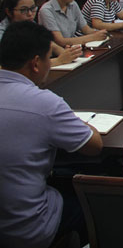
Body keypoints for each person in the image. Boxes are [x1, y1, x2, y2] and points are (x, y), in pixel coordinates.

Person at [0, 21, 103, 248]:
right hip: (25, 228)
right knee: (93, 204)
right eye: (49, 58)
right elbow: (94, 145)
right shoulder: (45, 103)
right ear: (36, 63)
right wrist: (80, 122)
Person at [0, 0, 82, 67]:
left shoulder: (30, 23)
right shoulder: (2, 34)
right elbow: (16, 67)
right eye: (24, 10)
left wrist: (66, 53)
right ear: (9, 12)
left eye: (32, 8)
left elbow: (49, 43)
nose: (30, 14)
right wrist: (59, 61)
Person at [38, 0, 108, 47]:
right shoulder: (46, 10)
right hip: (56, 52)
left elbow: (86, 29)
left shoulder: (73, 4)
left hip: (72, 48)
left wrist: (100, 33)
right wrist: (93, 37)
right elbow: (60, 41)